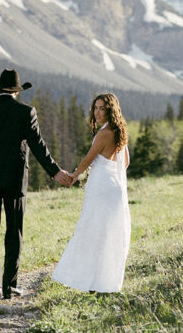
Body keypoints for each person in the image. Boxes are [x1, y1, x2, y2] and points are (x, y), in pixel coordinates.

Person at [0, 68, 73, 303]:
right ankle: (10, 286)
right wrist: (55, 172)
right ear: (17, 91)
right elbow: (38, 145)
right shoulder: (26, 112)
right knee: (14, 232)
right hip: (13, 181)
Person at [52, 92, 131, 293]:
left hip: (102, 188)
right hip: (114, 187)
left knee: (92, 231)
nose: (97, 112)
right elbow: (126, 162)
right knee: (106, 234)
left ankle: (90, 281)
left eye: (102, 108)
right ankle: (102, 282)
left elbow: (88, 158)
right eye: (95, 108)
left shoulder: (104, 134)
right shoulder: (119, 131)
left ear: (110, 110)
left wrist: (74, 175)